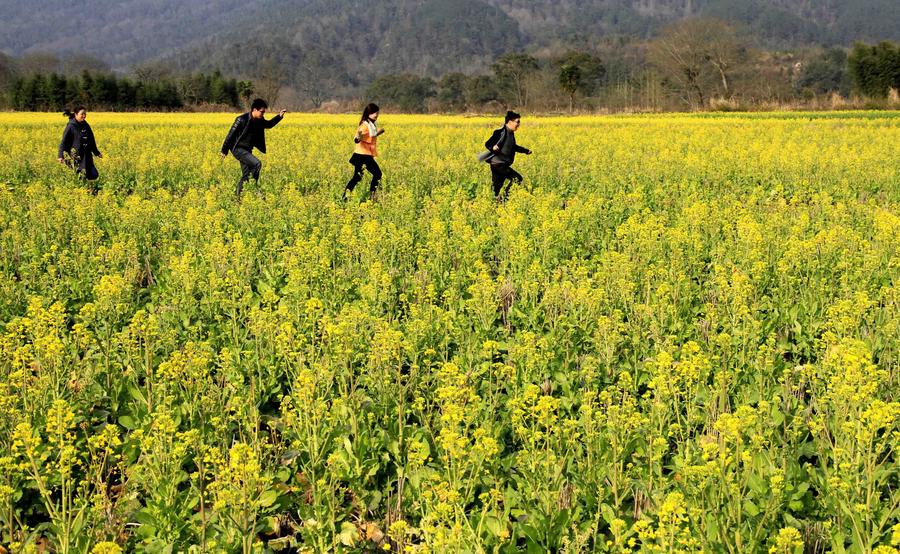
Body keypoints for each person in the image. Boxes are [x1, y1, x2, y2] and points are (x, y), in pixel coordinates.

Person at [220, 98, 286, 196]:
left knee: (246, 174)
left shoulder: (259, 120)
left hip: (247, 150)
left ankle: (239, 197)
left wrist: (279, 117)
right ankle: (253, 187)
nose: (263, 114)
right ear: (254, 110)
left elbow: (268, 124)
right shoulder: (241, 119)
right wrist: (224, 150)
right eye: (262, 112)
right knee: (257, 164)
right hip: (238, 149)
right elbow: (231, 135)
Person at [484, 110, 532, 200]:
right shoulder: (500, 132)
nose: (518, 125)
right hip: (498, 164)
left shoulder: (511, 133)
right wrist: (493, 147)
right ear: (510, 122)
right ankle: (504, 198)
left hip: (500, 164)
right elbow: (488, 143)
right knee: (517, 178)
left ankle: (493, 202)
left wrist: (526, 151)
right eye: (517, 122)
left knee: (497, 186)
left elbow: (513, 147)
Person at [342, 103, 385, 201]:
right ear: (369, 113)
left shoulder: (371, 124)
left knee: (358, 177)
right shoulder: (364, 125)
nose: (376, 115)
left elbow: (370, 136)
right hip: (362, 156)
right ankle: (372, 196)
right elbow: (357, 138)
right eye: (374, 112)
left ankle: (346, 197)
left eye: (377, 112)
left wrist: (379, 132)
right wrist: (358, 137)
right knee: (376, 174)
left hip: (365, 155)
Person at [58, 106, 102, 181]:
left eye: (85, 114)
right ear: (76, 114)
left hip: (87, 155)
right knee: (80, 176)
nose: (84, 116)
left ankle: (89, 190)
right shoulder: (71, 126)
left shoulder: (86, 125)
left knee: (93, 175)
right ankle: (82, 190)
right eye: (82, 114)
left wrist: (96, 152)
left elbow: (91, 140)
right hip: (76, 156)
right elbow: (64, 141)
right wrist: (60, 155)